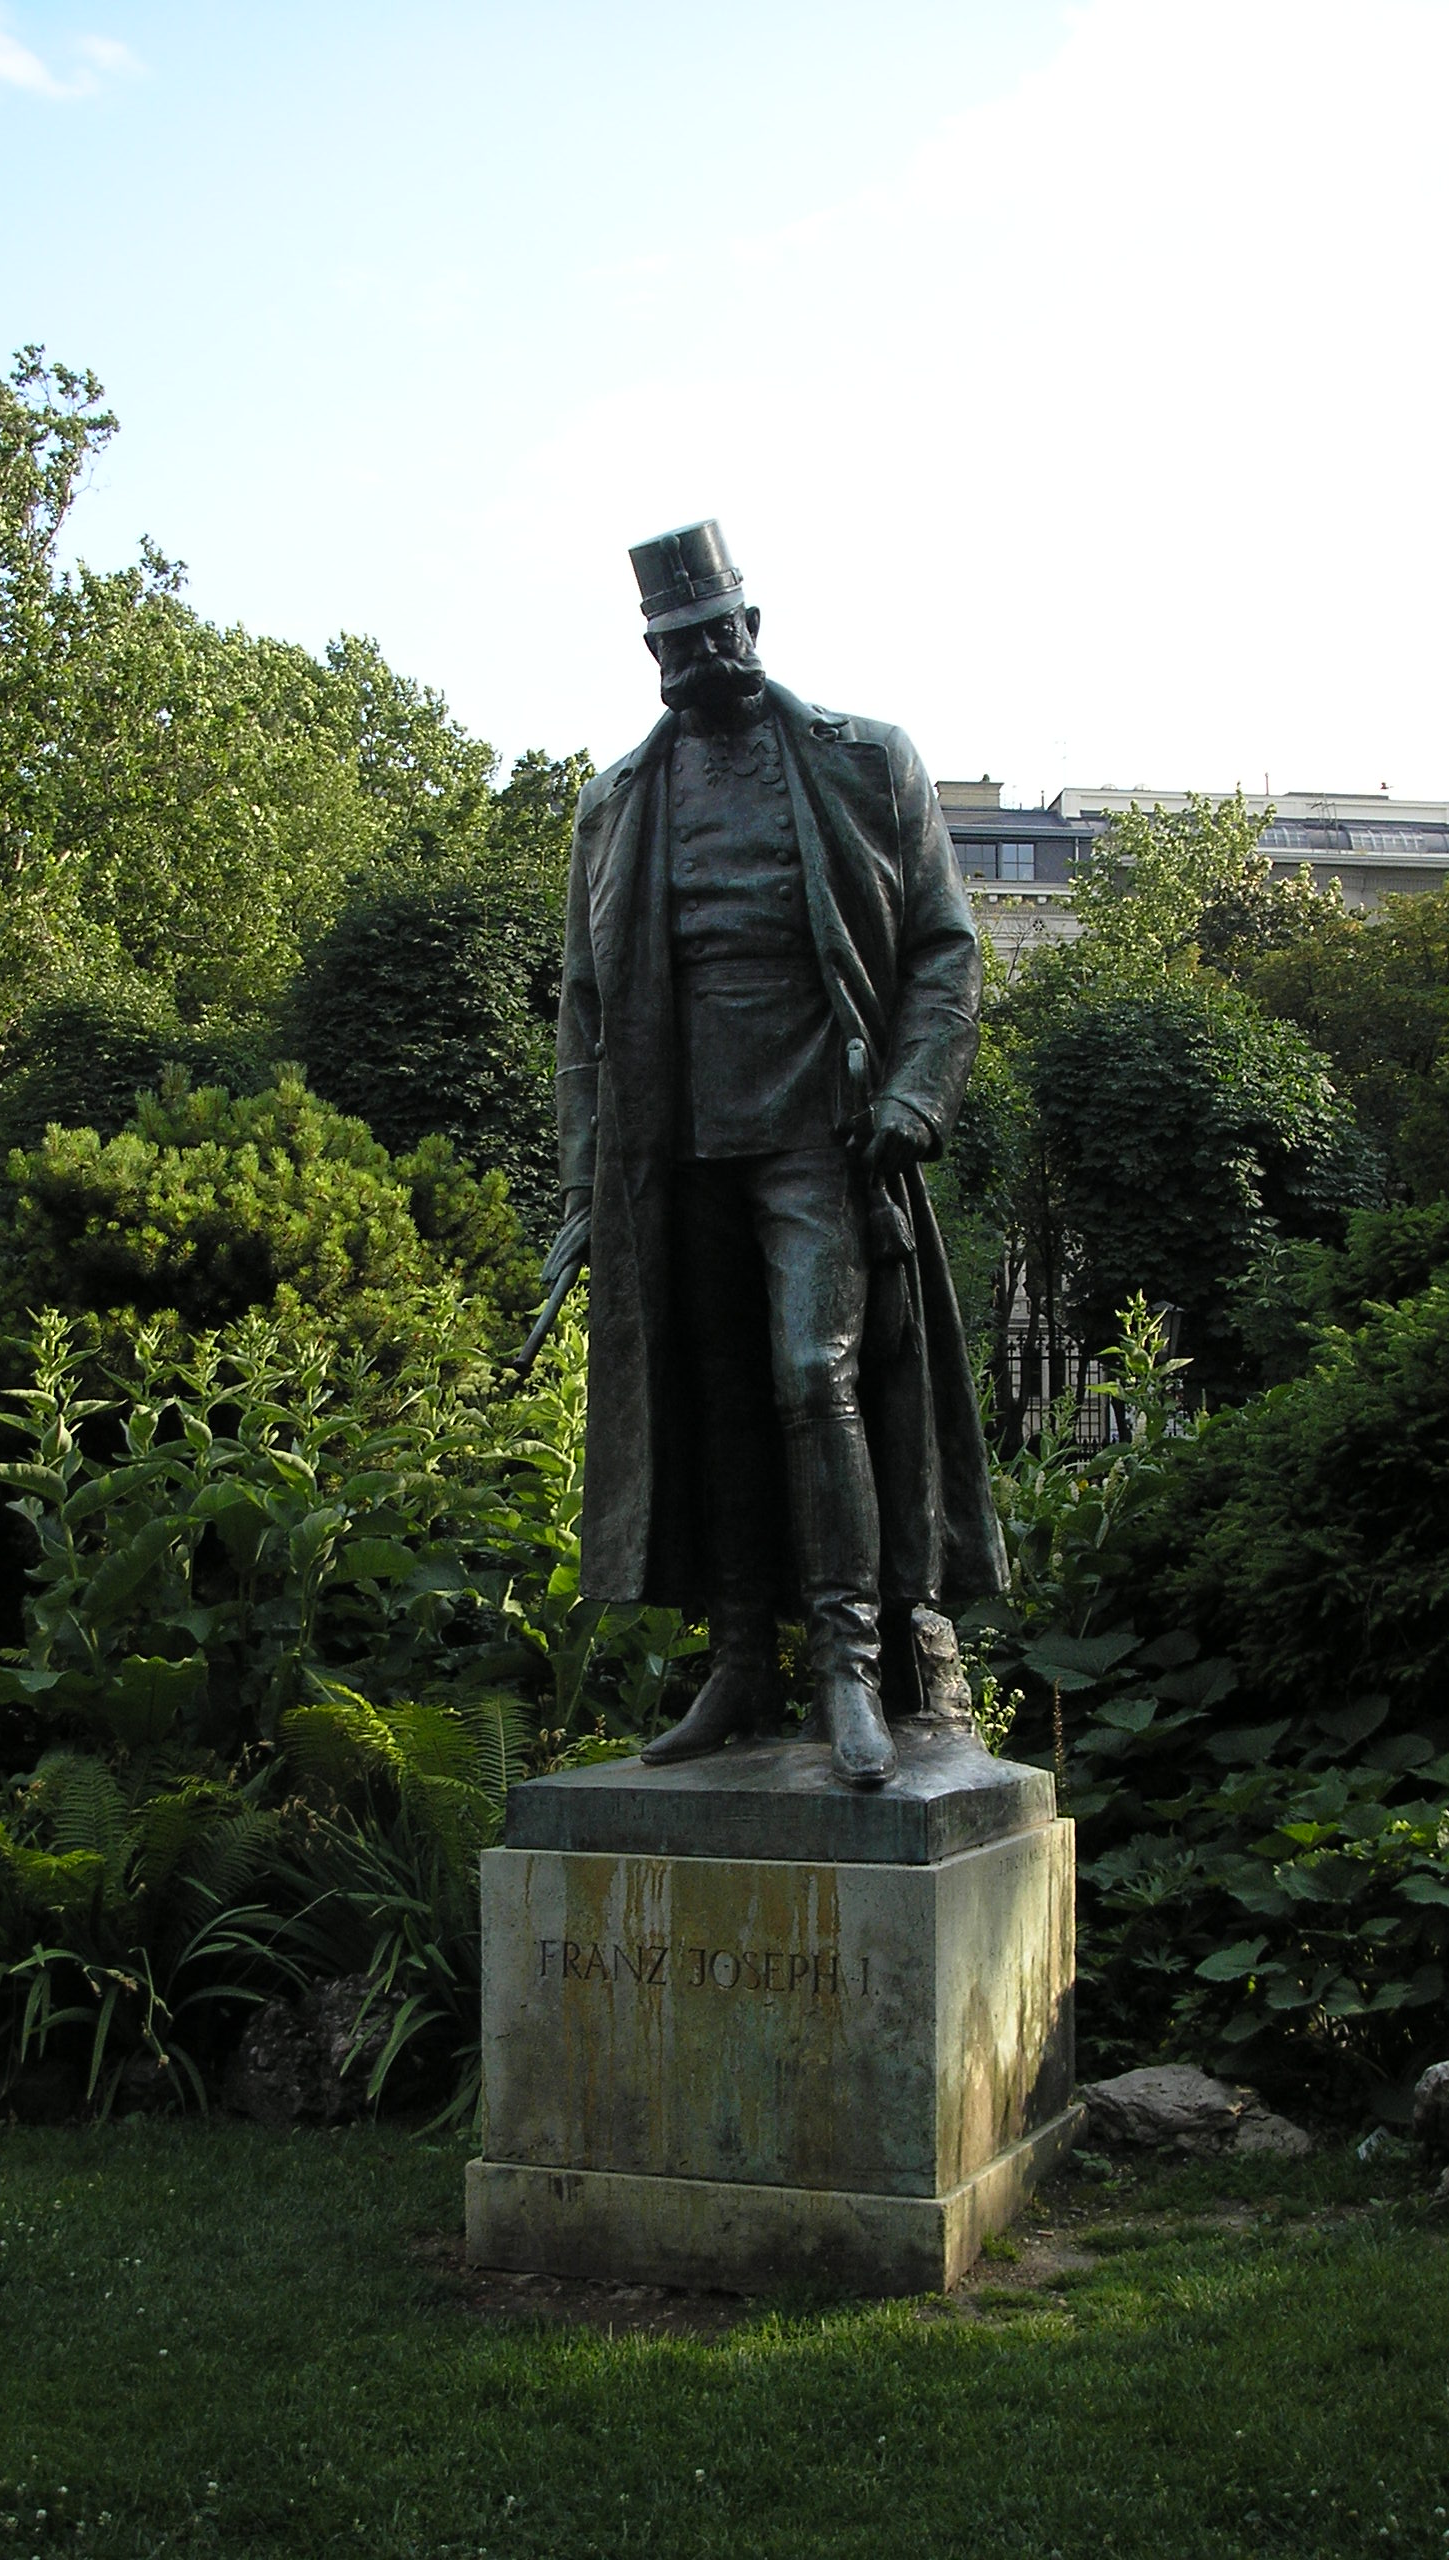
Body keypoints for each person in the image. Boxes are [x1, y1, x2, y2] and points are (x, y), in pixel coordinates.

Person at [540, 521, 1005, 1787]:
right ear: (651, 653)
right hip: (671, 1146)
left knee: (814, 1372)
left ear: (753, 625)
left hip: (819, 1129)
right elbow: (586, 1010)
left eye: (713, 634)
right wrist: (582, 1187)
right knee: (717, 1399)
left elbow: (945, 949)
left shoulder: (867, 759)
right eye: (672, 645)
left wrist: (916, 1094)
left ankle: (846, 1663)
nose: (697, 659)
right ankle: (740, 1658)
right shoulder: (615, 801)